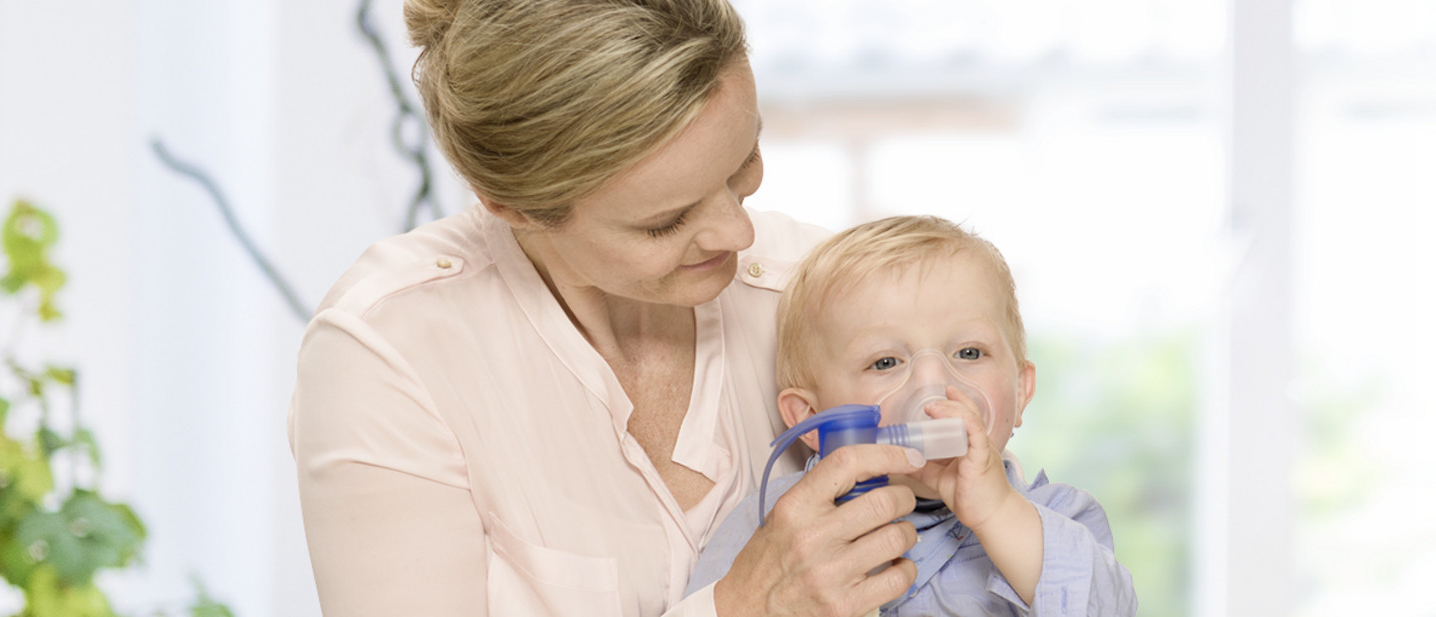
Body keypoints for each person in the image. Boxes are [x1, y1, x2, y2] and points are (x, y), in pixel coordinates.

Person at [287, 1, 936, 616]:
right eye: (666, 221)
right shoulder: (395, 352)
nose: (739, 234)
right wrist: (741, 605)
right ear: (511, 205)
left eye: (744, 165)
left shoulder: (825, 295)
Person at [684, 216, 1139, 615]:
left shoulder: (1057, 516)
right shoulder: (776, 528)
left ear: (1020, 391)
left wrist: (998, 510)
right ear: (812, 419)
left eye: (968, 351)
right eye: (885, 362)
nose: (934, 382)